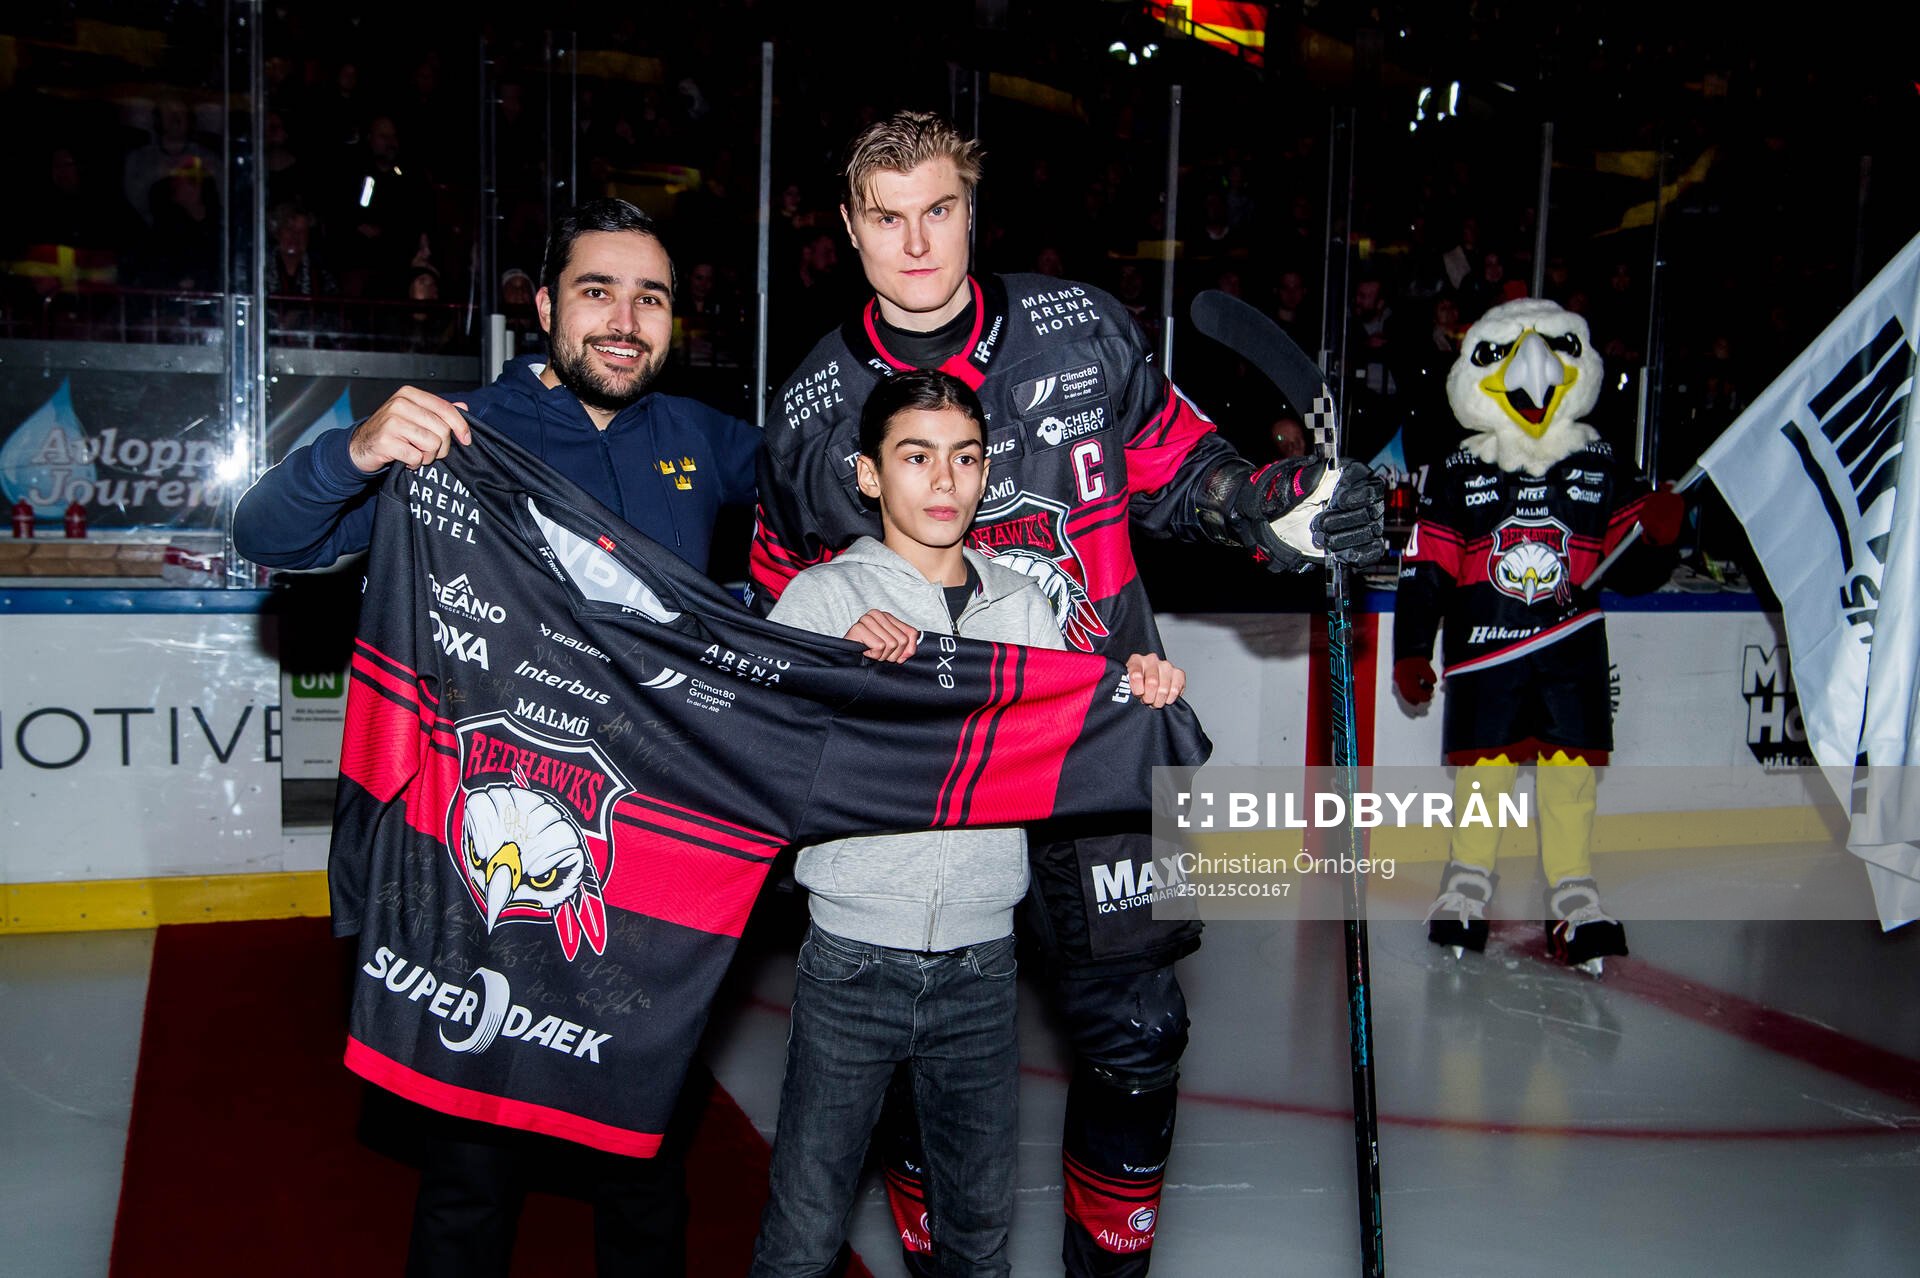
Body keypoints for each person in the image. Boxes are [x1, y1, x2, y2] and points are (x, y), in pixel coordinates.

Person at [747, 110, 1386, 1278]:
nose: (917, 244)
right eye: (886, 220)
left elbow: (1187, 466)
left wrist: (1279, 501)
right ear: (848, 231)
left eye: (938, 210)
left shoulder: (1079, 328)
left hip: (1095, 754)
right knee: (909, 1058)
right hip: (924, 792)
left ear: (971, 211)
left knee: (1139, 1037)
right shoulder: (807, 410)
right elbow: (779, 636)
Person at [233, 197, 762, 1276]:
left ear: (677, 320)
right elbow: (263, 532)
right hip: (475, 864)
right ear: (542, 305)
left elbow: (850, 506)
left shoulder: (711, 441)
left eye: (650, 297)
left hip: (636, 868)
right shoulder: (461, 430)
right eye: (597, 291)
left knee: (644, 1172)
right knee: (471, 1177)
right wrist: (360, 449)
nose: (625, 318)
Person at [751, 370, 1188, 1277]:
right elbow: (767, 758)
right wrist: (836, 669)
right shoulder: (823, 605)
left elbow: (1077, 733)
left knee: (979, 1242)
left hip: (985, 969)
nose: (944, 481)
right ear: (868, 476)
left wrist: (1141, 692)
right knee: (800, 1239)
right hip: (850, 963)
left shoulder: (1025, 612)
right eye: (916, 458)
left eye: (965, 458)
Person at [1392, 299, 1683, 976]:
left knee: (1569, 783)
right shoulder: (1457, 470)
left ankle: (1574, 894)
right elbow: (1426, 569)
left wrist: (1664, 533)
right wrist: (1411, 647)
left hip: (1569, 657)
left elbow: (1634, 569)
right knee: (1482, 782)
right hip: (1484, 657)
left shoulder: (1602, 464)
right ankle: (1466, 885)